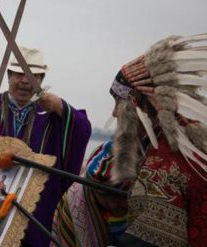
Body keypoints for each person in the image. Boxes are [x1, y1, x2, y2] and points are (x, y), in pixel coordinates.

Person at [52, 34, 207, 247]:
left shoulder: (162, 163)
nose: (115, 114)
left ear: (139, 105)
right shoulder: (186, 137)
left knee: (78, 193)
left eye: (118, 103)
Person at [0, 46, 92, 246]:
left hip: (36, 200)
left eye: (33, 76)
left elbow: (82, 129)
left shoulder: (51, 110)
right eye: (19, 74)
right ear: (9, 76)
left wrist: (61, 107)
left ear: (41, 81)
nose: (25, 81)